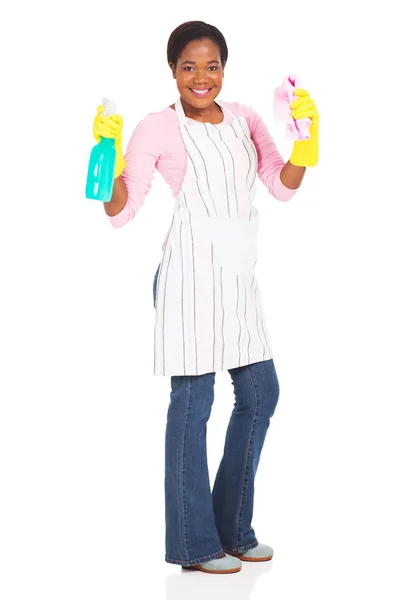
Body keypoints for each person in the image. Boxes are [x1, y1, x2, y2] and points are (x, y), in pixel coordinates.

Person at [91, 20, 319, 574]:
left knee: (261, 392)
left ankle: (232, 527)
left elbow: (281, 186)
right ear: (172, 71)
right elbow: (120, 211)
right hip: (189, 280)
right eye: (189, 67)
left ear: (224, 69)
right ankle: (195, 545)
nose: (201, 78)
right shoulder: (156, 128)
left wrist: (305, 142)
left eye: (212, 66)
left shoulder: (244, 119)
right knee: (194, 406)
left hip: (239, 279)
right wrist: (104, 152)